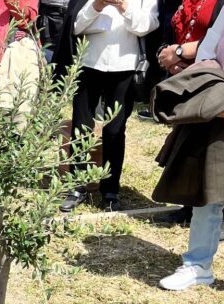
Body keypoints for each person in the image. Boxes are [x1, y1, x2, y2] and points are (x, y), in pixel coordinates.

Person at [158, 0, 224, 304]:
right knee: (208, 192)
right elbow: (208, 48)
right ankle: (198, 266)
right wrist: (209, 92)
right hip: (219, 112)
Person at [58, 0, 159, 213]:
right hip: (89, 61)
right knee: (81, 126)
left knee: (115, 130)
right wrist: (96, 5)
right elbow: (75, 25)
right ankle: (77, 186)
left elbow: (146, 26)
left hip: (126, 65)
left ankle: (110, 188)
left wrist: (124, 6)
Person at [154, 0, 224, 238]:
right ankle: (188, 205)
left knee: (221, 150)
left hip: (218, 76)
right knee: (191, 143)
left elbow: (219, 39)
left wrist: (180, 54)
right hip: (194, 74)